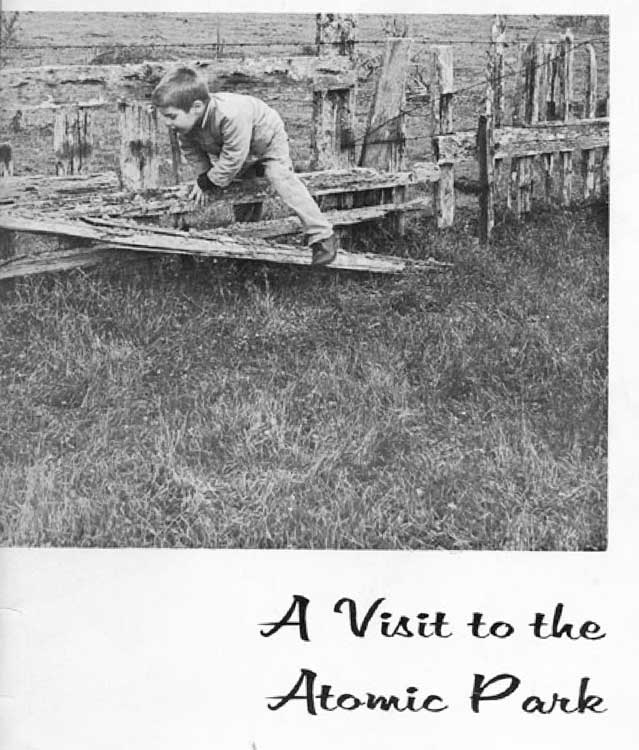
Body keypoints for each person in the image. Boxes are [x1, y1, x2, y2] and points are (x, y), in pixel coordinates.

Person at [151, 66, 338, 266]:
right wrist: (204, 176)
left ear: (196, 107)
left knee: (281, 177)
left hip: (266, 141)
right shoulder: (186, 126)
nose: (167, 123)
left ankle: (322, 235)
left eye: (171, 116)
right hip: (239, 149)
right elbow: (193, 153)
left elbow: (233, 157)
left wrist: (208, 181)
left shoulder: (230, 115)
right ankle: (248, 241)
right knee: (243, 188)